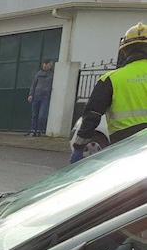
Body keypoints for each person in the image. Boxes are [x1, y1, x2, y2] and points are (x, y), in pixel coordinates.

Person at [72, 22, 147, 162]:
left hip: (124, 145)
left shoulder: (110, 79)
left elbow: (92, 115)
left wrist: (78, 147)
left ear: (124, 51)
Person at [27, 60, 54, 137]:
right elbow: (33, 85)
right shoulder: (38, 74)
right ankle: (33, 130)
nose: (46, 66)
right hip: (36, 96)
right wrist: (30, 95)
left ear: (50, 65)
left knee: (42, 115)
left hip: (45, 97)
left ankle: (39, 130)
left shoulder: (52, 75)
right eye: (44, 65)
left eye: (48, 65)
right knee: (34, 114)